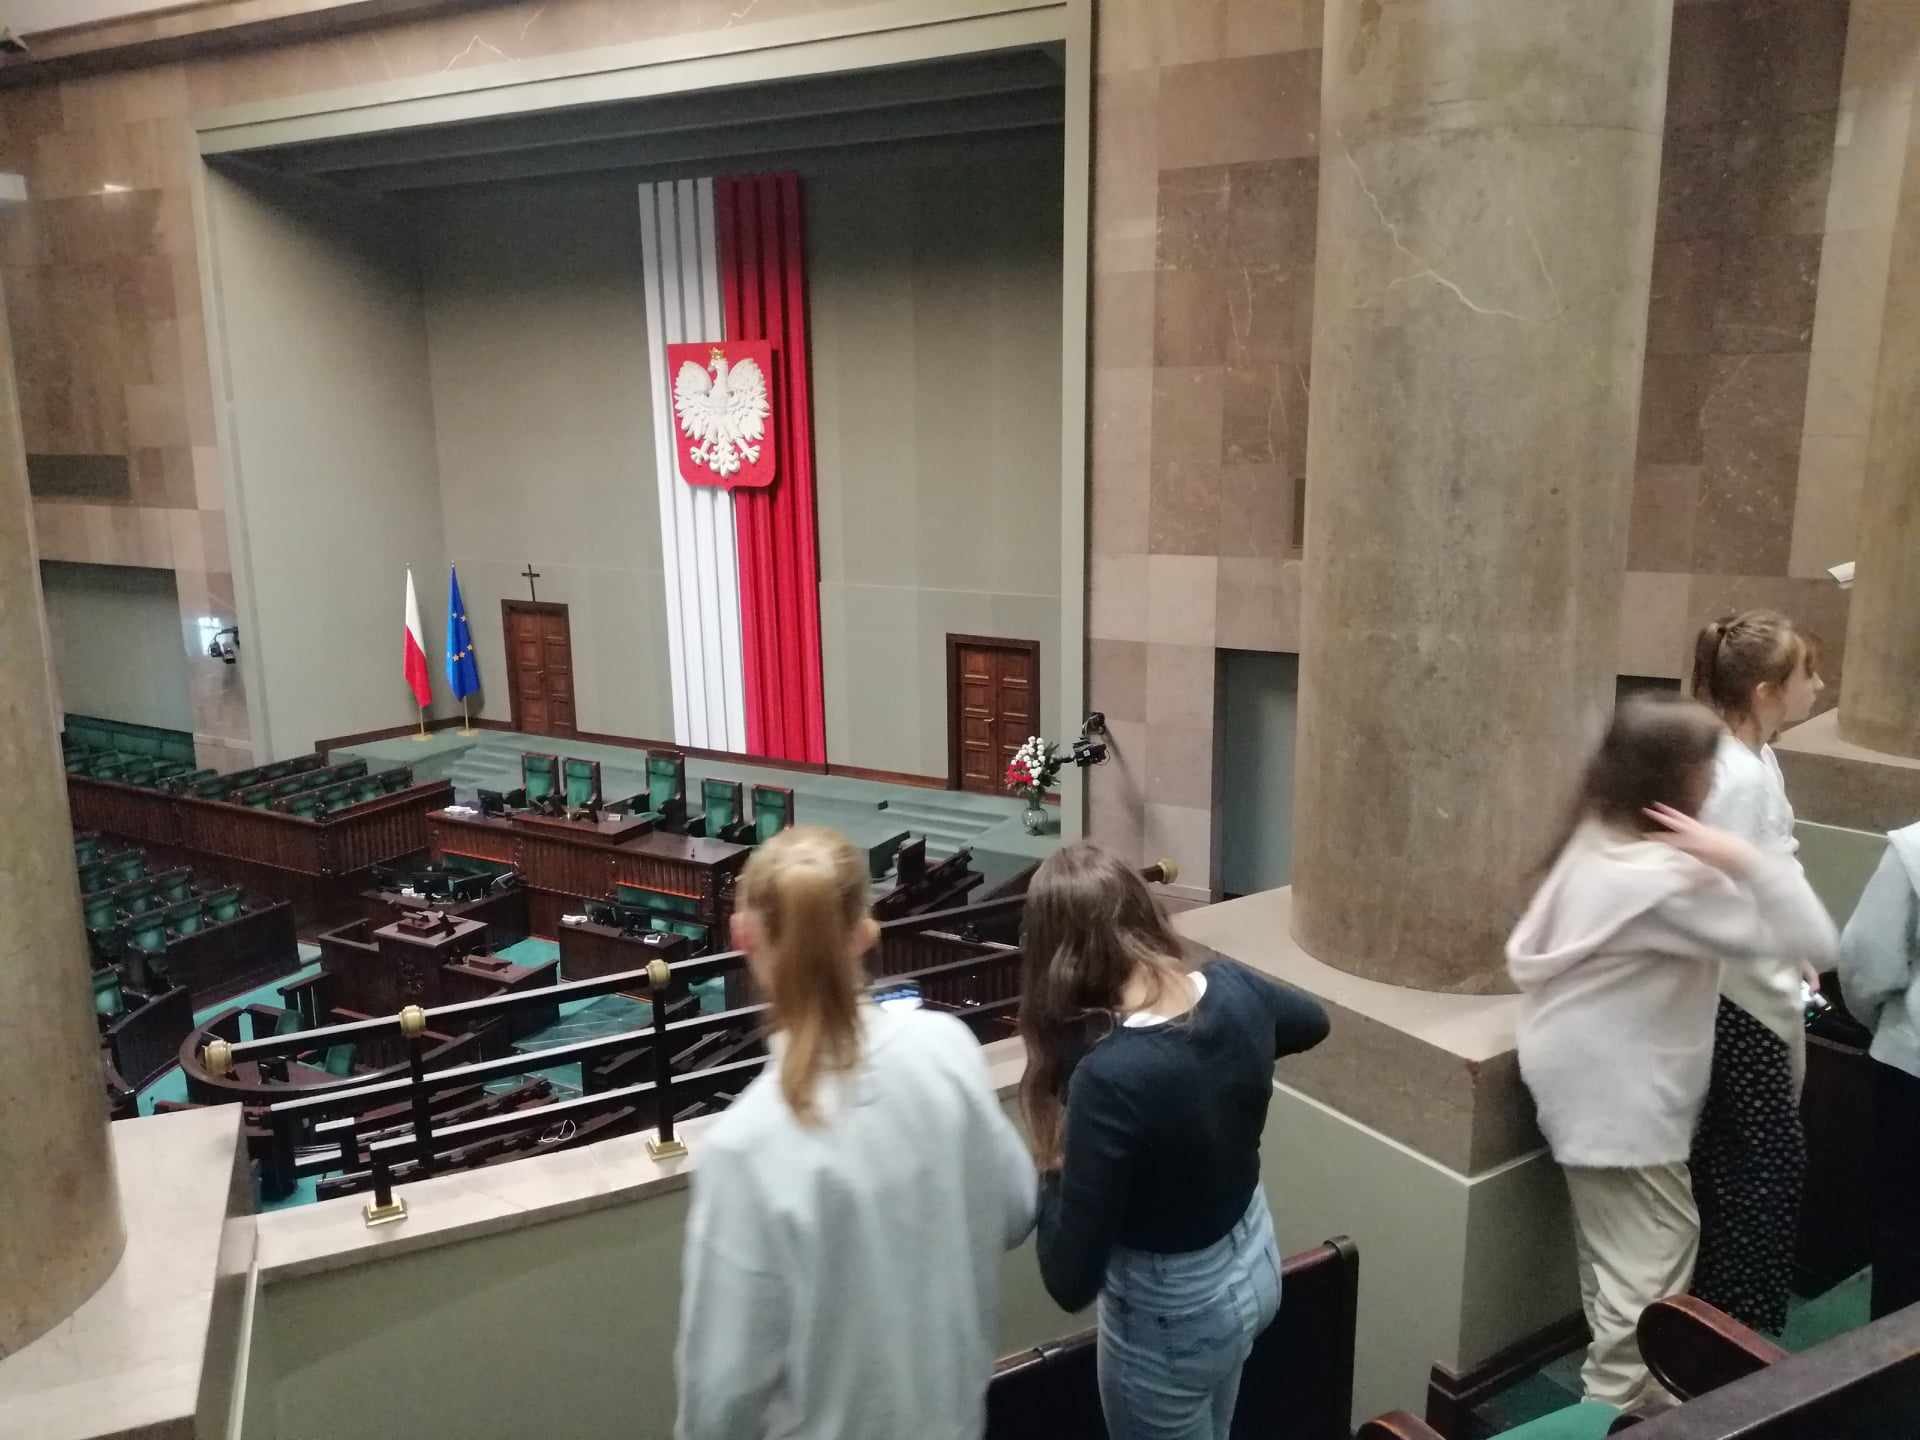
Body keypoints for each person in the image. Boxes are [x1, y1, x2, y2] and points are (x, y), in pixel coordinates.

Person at [1508, 696, 1837, 1412]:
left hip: (1570, 1082)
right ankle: (1610, 1414)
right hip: (1625, 1106)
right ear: (1681, 779)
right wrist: (1744, 857)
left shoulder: (1593, 836)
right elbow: (1816, 941)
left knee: (1613, 1261)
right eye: (1709, 768)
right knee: (1653, 1275)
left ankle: (1623, 1400)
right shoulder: (1671, 881)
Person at [674, 827, 1038, 1440]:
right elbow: (1016, 1210)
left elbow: (720, 1403)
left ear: (742, 937)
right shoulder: (948, 1048)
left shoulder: (744, 1145)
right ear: (866, 931)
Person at [1019, 841, 1330, 1440]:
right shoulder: (1231, 986)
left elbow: (1068, 1281)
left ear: (1055, 959)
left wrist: (1053, 1154)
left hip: (1174, 1317)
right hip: (1255, 1263)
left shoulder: (1108, 1080)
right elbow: (1313, 1023)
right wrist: (1227, 1068)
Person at [1688, 609, 1826, 1334]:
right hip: (1738, 994)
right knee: (1764, 1163)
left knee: (1746, 1155)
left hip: (1752, 982)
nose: (1819, 687)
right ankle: (1730, 1325)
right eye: (1808, 674)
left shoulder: (1755, 758)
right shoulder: (1735, 774)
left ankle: (1721, 1319)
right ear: (1768, 691)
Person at [1836, 818, 1920, 1320]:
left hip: (1912, 1064)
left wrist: (1886, 1025)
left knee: (1904, 1229)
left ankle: (1893, 1358)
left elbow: (1867, 957)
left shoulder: (1914, 846)